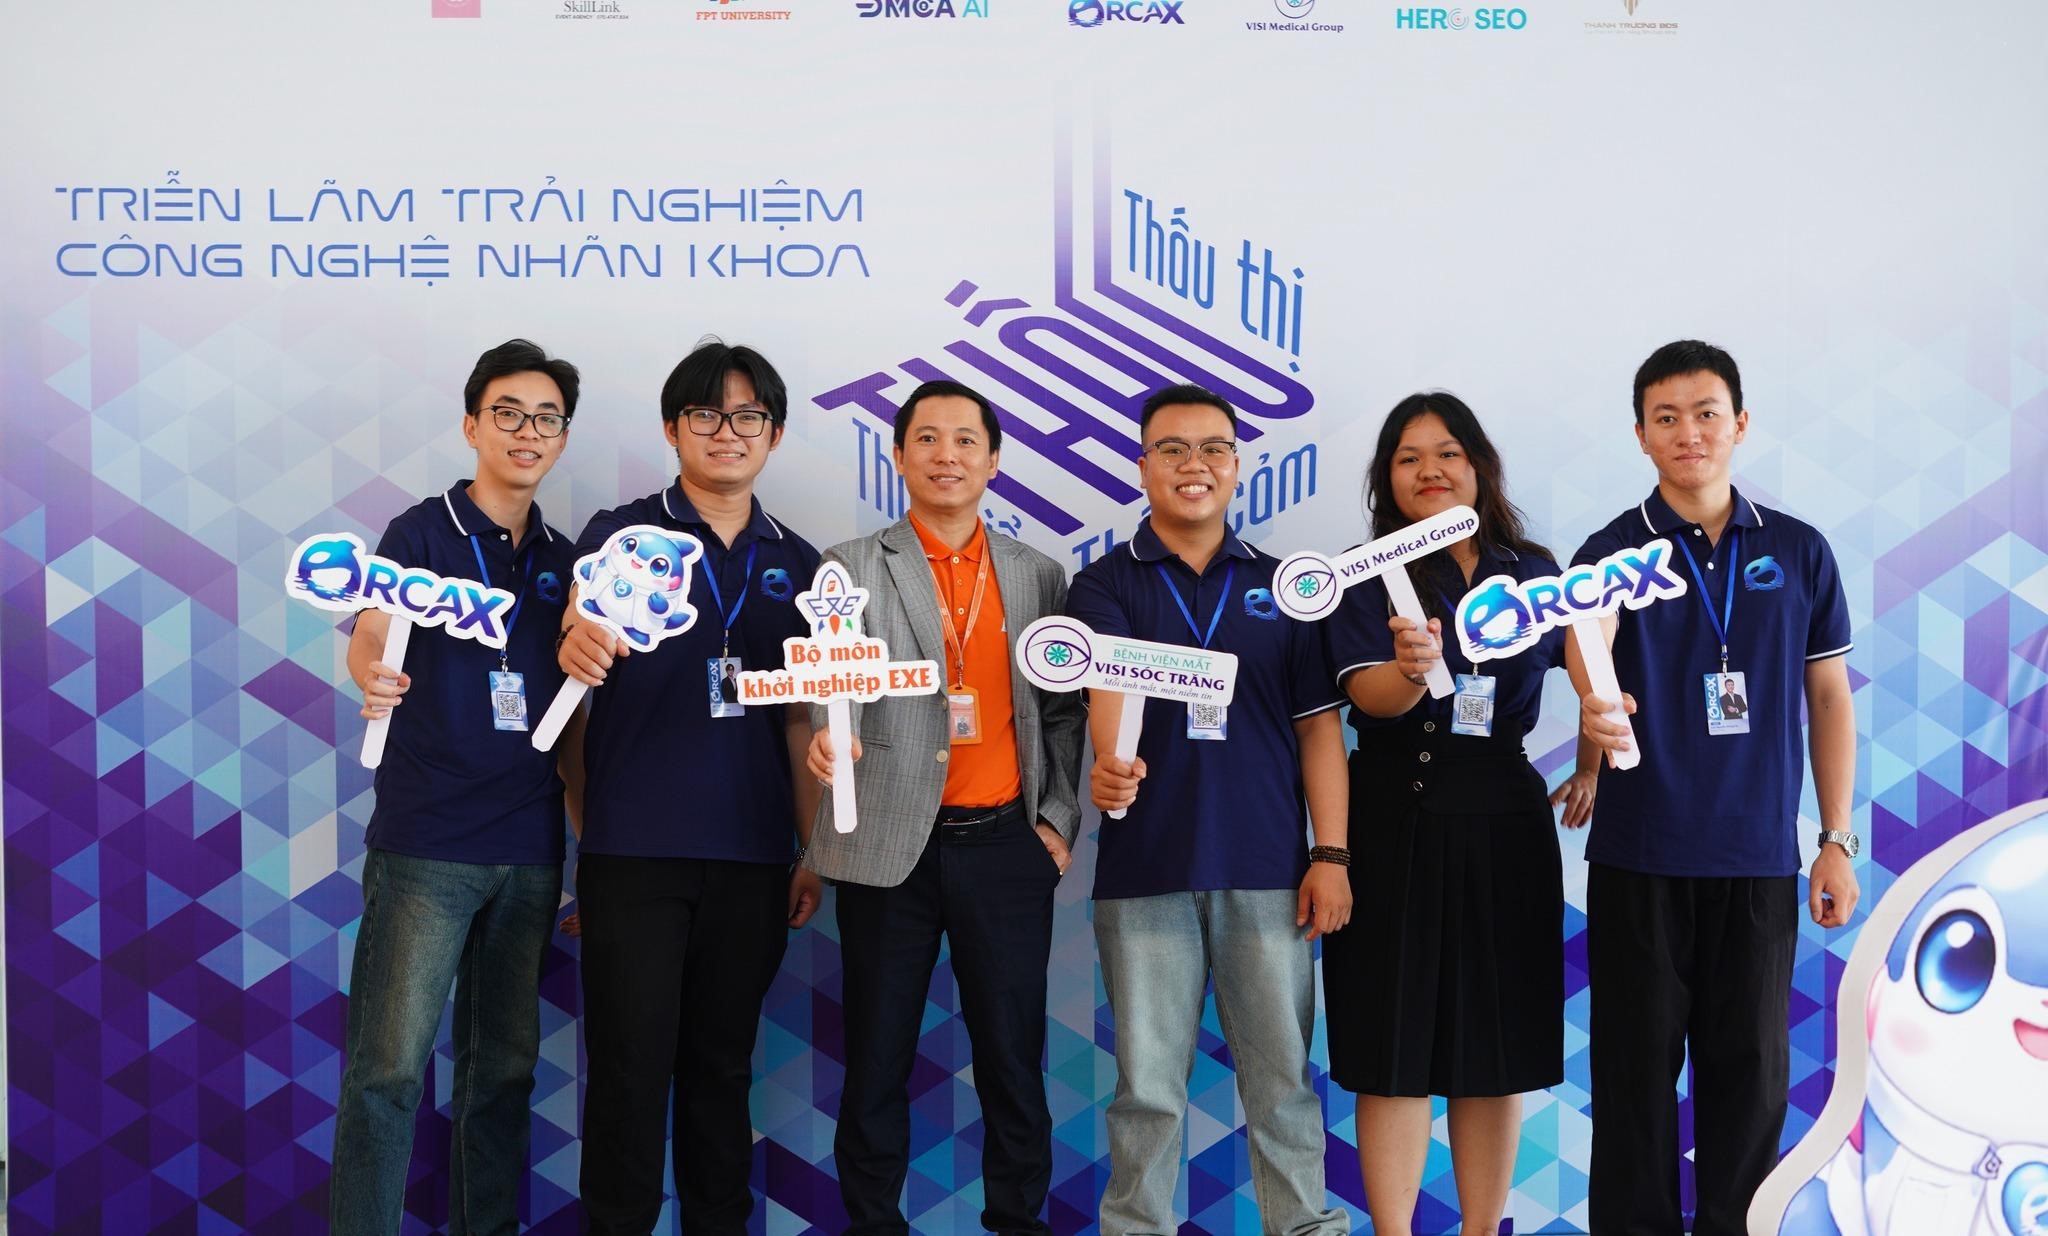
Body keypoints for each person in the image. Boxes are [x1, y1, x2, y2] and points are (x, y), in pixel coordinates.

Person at [1570, 340, 1859, 1236]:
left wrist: (1835, 840)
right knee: (1633, 1088)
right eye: (1666, 418)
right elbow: (1589, 652)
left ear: (1740, 423)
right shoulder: (1610, 553)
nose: (1688, 432)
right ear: (1641, 435)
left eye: (1705, 413)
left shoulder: (1799, 551)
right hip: (1641, 856)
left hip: (1758, 860)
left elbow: (1828, 697)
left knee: (1751, 1086)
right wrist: (1595, 705)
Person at [804, 379, 1085, 1236]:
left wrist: (1056, 821)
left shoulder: (1039, 575)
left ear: (994, 461)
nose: (947, 455)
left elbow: (1063, 711)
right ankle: (872, 1224)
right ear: (898, 456)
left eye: (966, 440)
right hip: (888, 845)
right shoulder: (849, 567)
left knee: (1013, 1058)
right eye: (927, 438)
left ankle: (1018, 1222)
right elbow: (826, 687)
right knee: (876, 1057)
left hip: (1006, 845)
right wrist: (826, 738)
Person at [1072, 383, 1353, 1236]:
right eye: (1172, 449)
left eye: (1213, 449)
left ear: (1236, 467)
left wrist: (1332, 856)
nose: (1193, 465)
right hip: (1146, 872)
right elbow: (1107, 700)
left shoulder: (1282, 588)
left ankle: (1304, 1228)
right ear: (1143, 465)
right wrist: (1110, 768)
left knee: (1284, 1088)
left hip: (1269, 870)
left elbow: (1319, 731)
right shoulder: (1104, 584)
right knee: (1148, 1094)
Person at [557, 339, 823, 1236]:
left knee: (722, 1070)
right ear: (673, 428)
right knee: (629, 1072)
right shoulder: (622, 534)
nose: (727, 431)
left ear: (773, 435)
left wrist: (810, 850)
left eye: (749, 416)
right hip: (634, 851)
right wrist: (589, 835)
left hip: (753, 855)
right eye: (706, 413)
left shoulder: (800, 562)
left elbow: (801, 721)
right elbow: (580, 642)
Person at [1320, 392, 1599, 1236]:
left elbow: (1596, 671)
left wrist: (1592, 764)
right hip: (1390, 818)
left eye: (1447, 453)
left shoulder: (1534, 569)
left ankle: (1484, 1230)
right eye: (1408, 458)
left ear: (1478, 465)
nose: (1430, 470)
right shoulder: (1363, 571)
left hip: (1504, 817)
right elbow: (1366, 698)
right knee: (1392, 1047)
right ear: (1387, 478)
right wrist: (1410, 670)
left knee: (1493, 1048)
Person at [330, 338, 582, 1236]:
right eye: (508, 413)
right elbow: (372, 628)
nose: (527, 431)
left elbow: (576, 714)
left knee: (502, 1074)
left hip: (529, 849)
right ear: (473, 425)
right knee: (389, 1072)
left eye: (547, 419)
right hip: (427, 844)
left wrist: (584, 843)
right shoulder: (420, 533)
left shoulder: (567, 559)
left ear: (562, 438)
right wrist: (369, 672)